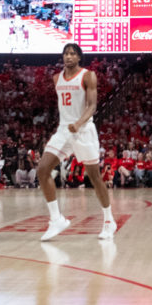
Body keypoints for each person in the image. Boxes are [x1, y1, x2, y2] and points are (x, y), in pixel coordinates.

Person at [36, 43, 116, 241]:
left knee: (94, 177)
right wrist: (70, 125)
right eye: (65, 53)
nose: (68, 56)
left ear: (79, 57)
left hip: (84, 130)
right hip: (64, 130)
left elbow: (92, 105)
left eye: (72, 53)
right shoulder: (56, 78)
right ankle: (56, 219)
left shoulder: (88, 76)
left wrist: (79, 123)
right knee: (43, 169)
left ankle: (108, 220)